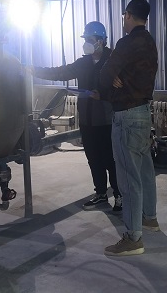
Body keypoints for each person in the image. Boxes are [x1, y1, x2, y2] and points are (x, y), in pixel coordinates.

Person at [33, 21, 122, 213]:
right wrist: (34, 70)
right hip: (87, 119)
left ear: (101, 41)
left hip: (107, 120)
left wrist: (103, 95)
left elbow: (124, 89)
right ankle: (100, 193)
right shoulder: (83, 63)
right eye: (85, 39)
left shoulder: (114, 61)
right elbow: (60, 72)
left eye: (90, 39)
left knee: (111, 159)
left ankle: (119, 195)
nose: (86, 43)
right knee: (93, 158)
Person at [99, 0, 159, 256]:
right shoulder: (150, 42)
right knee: (145, 171)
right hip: (144, 113)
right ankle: (149, 218)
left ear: (128, 15)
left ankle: (134, 237)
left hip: (126, 115)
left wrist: (112, 78)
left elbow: (104, 75)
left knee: (128, 178)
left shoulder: (126, 43)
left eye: (124, 16)